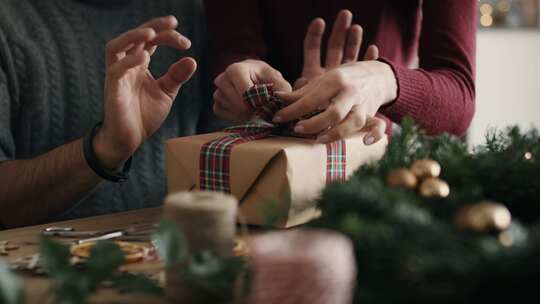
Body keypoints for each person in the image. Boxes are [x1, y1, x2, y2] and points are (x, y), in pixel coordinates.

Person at [0, 0, 217, 228]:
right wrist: (103, 149)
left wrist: (250, 101)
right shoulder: (9, 21)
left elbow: (226, 159)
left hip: (178, 250)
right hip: (41, 258)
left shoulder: (194, 11)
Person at [204, 1, 477, 143]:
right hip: (270, 156)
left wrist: (382, 81)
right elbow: (234, 48)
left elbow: (459, 95)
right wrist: (242, 82)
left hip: (384, 164)